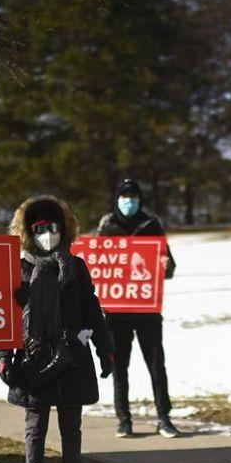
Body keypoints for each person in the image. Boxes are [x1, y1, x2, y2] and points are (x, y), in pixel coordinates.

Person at [0, 196, 114, 463]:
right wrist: (4, 354)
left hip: (72, 355)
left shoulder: (75, 266)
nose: (47, 234)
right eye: (40, 229)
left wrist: (106, 348)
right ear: (28, 234)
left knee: (71, 427)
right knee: (35, 428)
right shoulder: (18, 267)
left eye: (53, 228)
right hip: (32, 358)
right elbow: (6, 314)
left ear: (63, 230)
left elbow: (91, 307)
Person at [95, 179, 179, 438]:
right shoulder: (107, 227)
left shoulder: (151, 225)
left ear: (140, 199)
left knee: (156, 365)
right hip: (117, 312)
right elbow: (98, 266)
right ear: (117, 199)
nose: (128, 201)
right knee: (119, 367)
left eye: (133, 196)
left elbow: (170, 266)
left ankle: (164, 418)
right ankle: (124, 419)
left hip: (147, 309)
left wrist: (165, 264)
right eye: (124, 196)